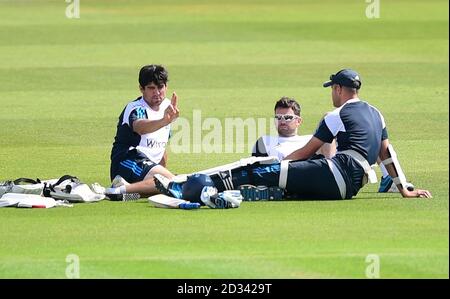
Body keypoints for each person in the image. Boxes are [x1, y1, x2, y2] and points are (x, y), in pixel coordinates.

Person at [156, 69, 432, 201]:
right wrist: (404, 188)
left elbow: (306, 152)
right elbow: (386, 153)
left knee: (255, 167)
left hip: (337, 174)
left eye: (331, 88)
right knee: (282, 180)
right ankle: (272, 190)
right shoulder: (376, 112)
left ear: (338, 89)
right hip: (351, 187)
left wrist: (279, 163)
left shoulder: (336, 115)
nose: (331, 93)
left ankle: (183, 184)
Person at [106, 65, 179, 201]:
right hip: (127, 161)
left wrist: (162, 169)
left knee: (170, 187)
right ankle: (115, 191)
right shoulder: (136, 108)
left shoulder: (167, 107)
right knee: (173, 182)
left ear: (166, 87)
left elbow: (161, 147)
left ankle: (125, 191)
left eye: (160, 87)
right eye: (151, 88)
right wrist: (164, 121)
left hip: (146, 166)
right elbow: (139, 126)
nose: (157, 92)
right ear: (141, 89)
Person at [252, 96, 336, 160]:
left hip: (308, 177)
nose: (282, 121)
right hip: (280, 179)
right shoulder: (265, 141)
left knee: (328, 116)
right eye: (278, 117)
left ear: (298, 121)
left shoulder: (311, 140)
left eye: (288, 117)